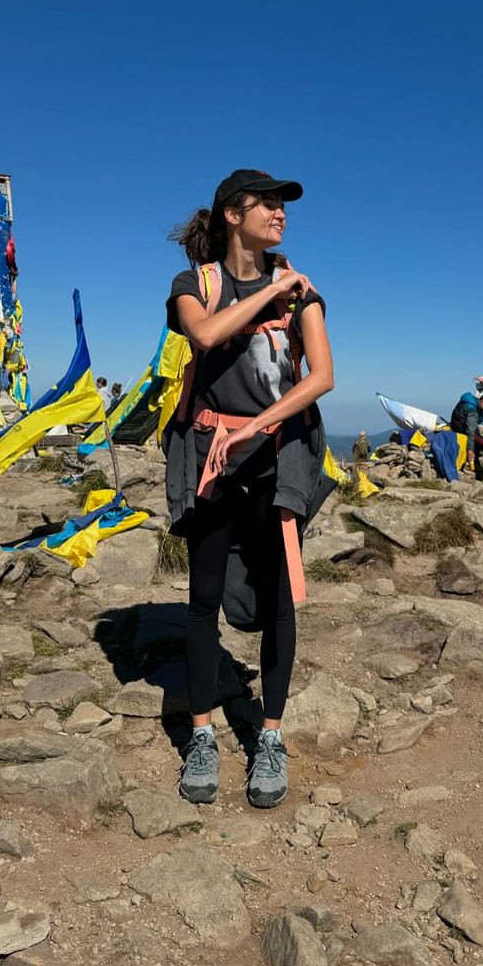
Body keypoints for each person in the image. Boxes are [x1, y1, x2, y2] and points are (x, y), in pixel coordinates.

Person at [164, 169, 334, 810]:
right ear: (233, 214)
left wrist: (258, 427)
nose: (279, 214)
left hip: (274, 458)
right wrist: (271, 292)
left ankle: (269, 736)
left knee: (281, 599)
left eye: (282, 204)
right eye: (266, 203)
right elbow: (204, 334)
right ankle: (202, 734)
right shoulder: (197, 285)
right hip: (210, 457)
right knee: (203, 595)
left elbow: (322, 377)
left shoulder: (302, 292)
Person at [450, 389, 483, 477]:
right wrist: (470, 450)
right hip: (464, 432)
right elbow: (470, 431)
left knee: (478, 445)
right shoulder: (472, 410)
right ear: (482, 402)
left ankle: (477, 467)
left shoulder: (465, 401)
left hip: (455, 429)